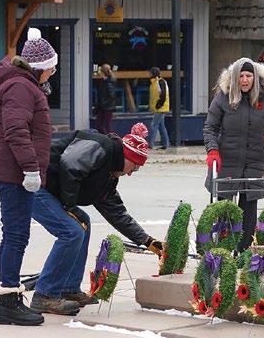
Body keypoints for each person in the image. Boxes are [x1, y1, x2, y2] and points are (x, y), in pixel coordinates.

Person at [29, 123, 163, 315]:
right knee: (72, 232)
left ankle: (68, 289)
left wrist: (147, 241)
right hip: (35, 185)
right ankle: (45, 295)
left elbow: (117, 213)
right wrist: (69, 206)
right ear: (127, 157)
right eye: (134, 166)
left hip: (49, 189)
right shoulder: (101, 146)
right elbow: (70, 164)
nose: (131, 173)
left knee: (83, 223)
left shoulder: (109, 177)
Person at [0, 27, 57, 326]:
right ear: (40, 67)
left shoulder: (23, 84)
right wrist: (31, 169)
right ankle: (8, 301)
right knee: (16, 234)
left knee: (15, 233)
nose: (54, 71)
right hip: (14, 172)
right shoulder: (20, 87)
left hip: (13, 169)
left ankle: (9, 296)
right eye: (51, 67)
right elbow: (16, 130)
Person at [203, 58, 264, 252]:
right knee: (224, 208)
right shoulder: (223, 97)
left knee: (249, 209)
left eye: (248, 75)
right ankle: (222, 251)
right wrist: (212, 151)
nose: (244, 80)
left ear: (255, 77)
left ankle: (243, 252)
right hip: (227, 160)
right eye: (240, 76)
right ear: (234, 78)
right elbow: (210, 127)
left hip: (254, 161)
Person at [147, 67, 170, 150]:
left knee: (153, 125)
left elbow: (163, 94)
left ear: (153, 73)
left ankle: (150, 144)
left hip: (160, 108)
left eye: (150, 73)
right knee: (161, 126)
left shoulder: (160, 81)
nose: (148, 74)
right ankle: (166, 144)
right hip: (158, 108)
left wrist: (159, 105)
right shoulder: (153, 83)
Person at [94, 64, 116, 135]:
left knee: (107, 125)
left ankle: (110, 139)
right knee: (100, 124)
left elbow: (111, 96)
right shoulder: (104, 81)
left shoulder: (108, 82)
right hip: (103, 106)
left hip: (107, 107)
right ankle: (105, 137)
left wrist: (104, 103)